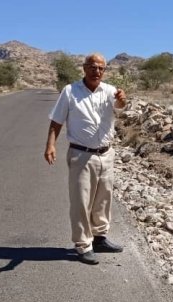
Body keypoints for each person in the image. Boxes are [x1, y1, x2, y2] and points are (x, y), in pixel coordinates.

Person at [44, 53, 127, 265]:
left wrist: (122, 101)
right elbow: (57, 120)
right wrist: (50, 144)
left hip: (106, 154)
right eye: (92, 67)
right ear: (84, 68)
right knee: (81, 201)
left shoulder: (109, 90)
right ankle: (82, 244)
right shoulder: (70, 91)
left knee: (103, 199)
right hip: (81, 154)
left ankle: (99, 238)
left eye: (101, 68)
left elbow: (119, 107)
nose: (96, 71)